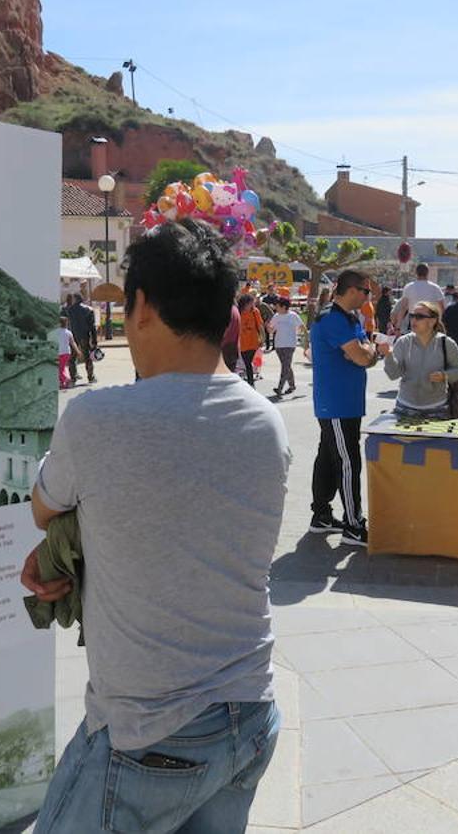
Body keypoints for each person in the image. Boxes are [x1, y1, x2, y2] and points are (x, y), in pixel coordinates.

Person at [24, 219, 288, 832]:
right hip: (249, 712)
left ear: (141, 306)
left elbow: (43, 506)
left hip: (149, 733)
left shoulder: (97, 419)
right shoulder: (265, 420)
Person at [307, 269, 378, 548]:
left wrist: (365, 351)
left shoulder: (347, 318)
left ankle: (321, 516)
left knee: (327, 458)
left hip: (343, 403)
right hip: (337, 404)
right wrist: (369, 351)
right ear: (352, 290)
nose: (369, 296)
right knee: (348, 463)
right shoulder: (333, 319)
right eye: (366, 291)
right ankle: (353, 524)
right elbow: (362, 356)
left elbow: (362, 352)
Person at [379, 300, 458, 420]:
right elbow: (393, 375)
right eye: (412, 316)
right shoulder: (403, 342)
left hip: (437, 408)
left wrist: (444, 375)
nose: (413, 320)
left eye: (419, 317)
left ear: (432, 321)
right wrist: (388, 355)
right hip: (405, 407)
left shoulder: (446, 343)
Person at [391, 263, 445, 333]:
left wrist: (398, 327)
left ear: (416, 273)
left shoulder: (409, 287)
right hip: (430, 321)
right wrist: (439, 322)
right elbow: (442, 308)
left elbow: (403, 308)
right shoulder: (435, 288)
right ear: (427, 273)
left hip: (414, 321)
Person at [268, 297, 303, 396]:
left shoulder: (293, 316)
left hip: (289, 345)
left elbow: (301, 326)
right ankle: (292, 386)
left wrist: (298, 334)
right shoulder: (276, 316)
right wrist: (269, 328)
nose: (276, 307)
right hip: (279, 345)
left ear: (284, 307)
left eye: (278, 306)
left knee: (285, 367)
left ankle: (279, 388)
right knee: (286, 366)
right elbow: (272, 330)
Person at [66, 294, 98, 384]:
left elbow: (67, 324)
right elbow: (92, 327)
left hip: (74, 336)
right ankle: (90, 377)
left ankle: (73, 377)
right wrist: (94, 340)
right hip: (85, 336)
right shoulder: (88, 310)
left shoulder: (70, 310)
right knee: (87, 357)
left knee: (72, 357)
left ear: (75, 299)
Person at [237, 293, 264, 387]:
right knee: (247, 363)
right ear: (244, 303)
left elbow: (260, 326)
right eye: (251, 303)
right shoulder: (238, 312)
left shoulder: (255, 312)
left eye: (253, 303)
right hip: (243, 342)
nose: (252, 305)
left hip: (253, 341)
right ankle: (250, 381)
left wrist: (262, 338)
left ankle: (250, 383)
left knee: (248, 362)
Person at [52, 316, 82, 390]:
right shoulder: (69, 332)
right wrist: (78, 351)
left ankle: (67, 380)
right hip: (67, 353)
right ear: (66, 324)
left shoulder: (55, 332)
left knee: (59, 369)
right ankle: (62, 383)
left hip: (59, 353)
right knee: (62, 368)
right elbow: (73, 343)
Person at [221, 300, 241, 373]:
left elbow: (223, 333)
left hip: (225, 350)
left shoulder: (228, 310)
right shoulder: (234, 309)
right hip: (232, 349)